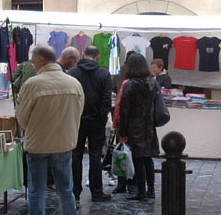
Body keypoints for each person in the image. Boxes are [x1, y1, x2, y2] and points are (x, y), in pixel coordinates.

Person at [15, 45, 84, 215]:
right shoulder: (74, 83)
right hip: (64, 143)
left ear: (42, 61)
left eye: (34, 62)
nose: (33, 65)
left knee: (36, 191)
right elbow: (77, 113)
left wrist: (34, 127)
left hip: (38, 144)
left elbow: (21, 117)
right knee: (66, 190)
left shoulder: (32, 84)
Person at [68, 45, 113, 201]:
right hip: (96, 122)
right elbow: (107, 99)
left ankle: (74, 191)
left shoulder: (72, 73)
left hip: (76, 120)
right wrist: (101, 117)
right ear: (98, 56)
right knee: (95, 155)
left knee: (75, 155)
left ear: (82, 54)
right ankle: (96, 191)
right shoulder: (104, 73)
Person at [117, 52, 161, 201]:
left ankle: (141, 191)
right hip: (148, 125)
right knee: (148, 158)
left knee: (138, 159)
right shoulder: (153, 82)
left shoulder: (130, 85)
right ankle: (151, 190)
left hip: (134, 126)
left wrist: (121, 132)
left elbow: (125, 110)